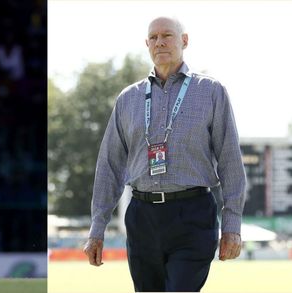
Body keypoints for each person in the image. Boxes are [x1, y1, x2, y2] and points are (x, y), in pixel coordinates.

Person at [83, 17, 246, 292]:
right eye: (154, 38)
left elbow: (231, 162)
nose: (160, 42)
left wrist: (232, 225)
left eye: (167, 35)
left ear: (184, 40)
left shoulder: (211, 92)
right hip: (142, 217)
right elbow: (109, 166)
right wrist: (97, 228)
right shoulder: (128, 98)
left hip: (192, 215)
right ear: (147, 44)